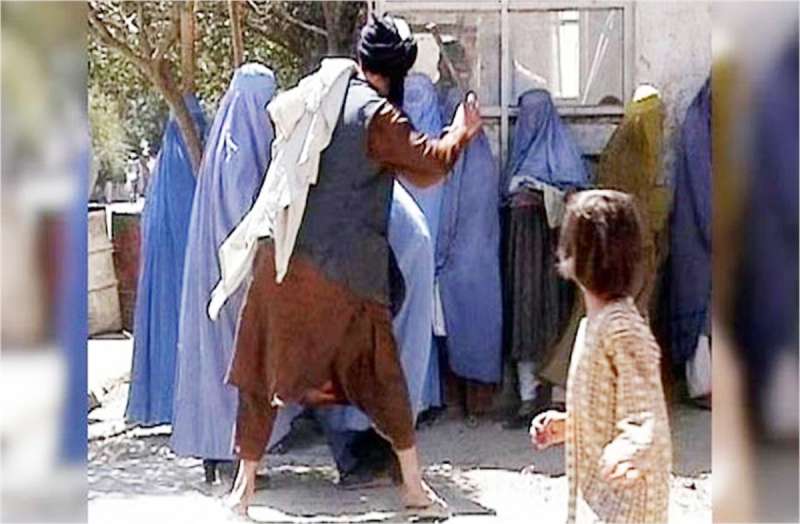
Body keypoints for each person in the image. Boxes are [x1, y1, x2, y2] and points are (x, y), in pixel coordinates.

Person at [217, 15, 482, 517]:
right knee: (383, 372)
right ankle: (413, 488)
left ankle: (242, 490)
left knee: (260, 370)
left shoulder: (319, 94)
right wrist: (460, 132)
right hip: (344, 274)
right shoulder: (378, 116)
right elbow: (429, 164)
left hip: (280, 258)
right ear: (398, 71)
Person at [531, 190, 671, 523]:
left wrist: (631, 447)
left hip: (628, 504)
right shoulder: (593, 324)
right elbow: (607, 403)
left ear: (569, 256)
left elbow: (645, 406)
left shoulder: (622, 328)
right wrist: (570, 425)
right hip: (601, 498)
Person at [170, 64, 277, 483]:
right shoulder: (241, 148)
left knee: (212, 358)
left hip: (210, 268)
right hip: (234, 272)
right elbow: (243, 212)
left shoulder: (222, 140)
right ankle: (234, 451)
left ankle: (213, 450)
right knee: (238, 359)